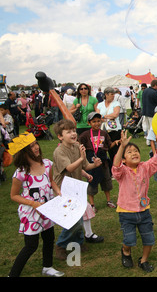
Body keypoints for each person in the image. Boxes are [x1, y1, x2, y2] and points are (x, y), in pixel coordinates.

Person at [8, 133, 64, 277]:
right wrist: (33, 204)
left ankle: (47, 266)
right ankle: (13, 274)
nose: (36, 147)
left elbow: (51, 181)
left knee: (49, 238)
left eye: (36, 143)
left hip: (47, 208)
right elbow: (14, 195)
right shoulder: (21, 172)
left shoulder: (47, 164)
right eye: (31, 146)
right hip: (31, 213)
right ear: (24, 152)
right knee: (31, 245)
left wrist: (57, 191)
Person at [112, 130, 157, 272]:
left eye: (136, 151)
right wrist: (122, 146)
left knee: (149, 239)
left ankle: (143, 260)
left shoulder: (145, 167)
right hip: (126, 213)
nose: (134, 153)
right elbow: (115, 167)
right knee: (129, 240)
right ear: (123, 159)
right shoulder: (122, 171)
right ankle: (126, 251)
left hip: (144, 211)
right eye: (129, 152)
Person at [52, 119, 103, 260]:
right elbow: (69, 168)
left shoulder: (77, 147)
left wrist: (95, 165)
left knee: (79, 217)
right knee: (73, 221)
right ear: (60, 137)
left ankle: (78, 243)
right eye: (68, 132)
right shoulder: (59, 151)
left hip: (76, 188)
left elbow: (85, 166)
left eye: (74, 130)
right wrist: (82, 158)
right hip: (63, 190)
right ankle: (61, 245)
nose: (73, 133)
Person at [79, 112, 118, 211]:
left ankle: (109, 200)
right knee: (92, 182)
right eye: (94, 121)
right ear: (89, 123)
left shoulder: (104, 133)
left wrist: (116, 142)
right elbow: (79, 144)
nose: (96, 123)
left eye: (98, 121)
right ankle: (92, 204)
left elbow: (109, 145)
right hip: (91, 161)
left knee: (106, 180)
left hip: (103, 161)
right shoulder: (85, 135)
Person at [96, 87, 121, 168]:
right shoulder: (100, 104)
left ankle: (117, 167)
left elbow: (115, 114)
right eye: (111, 94)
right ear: (106, 95)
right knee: (106, 149)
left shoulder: (116, 103)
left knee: (116, 149)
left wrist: (104, 116)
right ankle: (110, 168)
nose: (113, 96)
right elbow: (98, 116)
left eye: (114, 94)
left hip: (114, 129)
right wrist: (108, 117)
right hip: (104, 130)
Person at [141, 80, 157, 146]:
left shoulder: (145, 91)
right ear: (155, 85)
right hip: (152, 112)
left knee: (148, 127)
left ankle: (148, 141)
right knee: (152, 128)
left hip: (145, 111)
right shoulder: (154, 92)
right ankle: (150, 141)